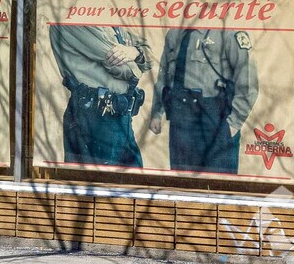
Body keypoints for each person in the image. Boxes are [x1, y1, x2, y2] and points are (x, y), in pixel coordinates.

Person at [149, 26, 257, 175]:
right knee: (182, 183)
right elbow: (164, 76)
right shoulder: (174, 34)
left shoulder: (229, 32)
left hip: (215, 123)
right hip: (180, 124)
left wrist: (233, 124)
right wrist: (157, 112)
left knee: (218, 187)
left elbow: (248, 82)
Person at [46, 21, 149, 167]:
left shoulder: (112, 21)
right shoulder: (75, 19)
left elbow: (148, 55)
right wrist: (137, 58)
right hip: (95, 115)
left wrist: (135, 52)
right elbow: (125, 68)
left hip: (117, 115)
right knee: (104, 181)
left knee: (131, 180)